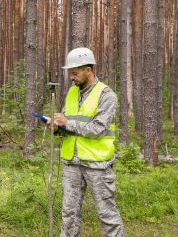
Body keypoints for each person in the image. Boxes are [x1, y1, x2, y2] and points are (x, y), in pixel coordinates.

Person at [50, 47, 124, 237]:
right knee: (69, 214)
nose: (72, 77)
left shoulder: (106, 95)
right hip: (72, 163)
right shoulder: (72, 93)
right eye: (70, 73)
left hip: (96, 164)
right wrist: (58, 127)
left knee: (107, 214)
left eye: (75, 73)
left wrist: (68, 123)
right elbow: (69, 124)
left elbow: (98, 129)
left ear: (88, 70)